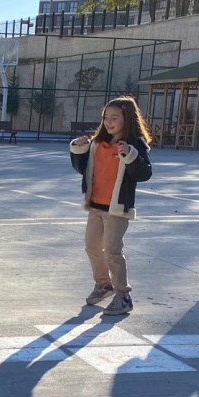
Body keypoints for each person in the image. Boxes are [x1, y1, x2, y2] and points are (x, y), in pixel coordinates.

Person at [69, 96, 154, 315]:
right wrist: (78, 150)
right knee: (91, 247)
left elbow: (144, 174)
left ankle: (123, 295)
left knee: (112, 251)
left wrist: (131, 156)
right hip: (96, 205)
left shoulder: (135, 144)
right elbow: (82, 169)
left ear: (127, 119)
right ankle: (103, 284)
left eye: (114, 118)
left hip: (117, 208)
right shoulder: (98, 143)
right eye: (106, 117)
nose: (108, 122)